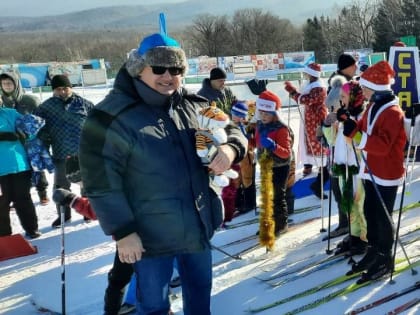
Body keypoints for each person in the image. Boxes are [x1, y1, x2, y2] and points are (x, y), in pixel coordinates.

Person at [78, 33, 247, 315]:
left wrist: (230, 149)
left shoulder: (194, 104)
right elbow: (100, 181)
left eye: (176, 70)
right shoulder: (111, 116)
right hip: (149, 238)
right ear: (138, 69)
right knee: (154, 306)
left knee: (199, 297)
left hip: (196, 228)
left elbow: (231, 129)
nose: (168, 76)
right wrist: (123, 232)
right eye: (159, 69)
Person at [342, 61, 406, 282]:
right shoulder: (372, 106)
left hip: (386, 171)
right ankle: (374, 248)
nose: (363, 91)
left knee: (382, 216)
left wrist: (358, 137)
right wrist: (348, 124)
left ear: (377, 88)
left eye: (367, 87)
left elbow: (383, 145)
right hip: (370, 169)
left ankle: (385, 256)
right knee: (370, 211)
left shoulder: (393, 112)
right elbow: (361, 129)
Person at [34, 74, 94, 228]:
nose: (62, 92)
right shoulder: (46, 107)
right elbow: (37, 127)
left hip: (84, 153)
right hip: (61, 153)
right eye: (58, 89)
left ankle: (89, 211)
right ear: (53, 90)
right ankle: (64, 215)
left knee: (87, 185)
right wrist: (45, 138)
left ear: (70, 88)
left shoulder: (84, 104)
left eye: (65, 88)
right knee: (61, 187)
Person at [323, 79, 368, 255]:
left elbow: (362, 142)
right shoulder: (344, 116)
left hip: (358, 168)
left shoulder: (361, 116)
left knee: (360, 204)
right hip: (344, 167)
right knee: (348, 204)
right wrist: (328, 125)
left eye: (344, 96)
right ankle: (354, 234)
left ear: (354, 97)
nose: (341, 100)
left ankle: (365, 238)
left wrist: (350, 126)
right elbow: (333, 140)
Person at [0, 72, 50, 205]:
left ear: (16, 84)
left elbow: (42, 120)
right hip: (12, 143)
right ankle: (14, 198)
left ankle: (42, 192)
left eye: (10, 83)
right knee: (15, 172)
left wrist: (41, 138)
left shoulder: (30, 100)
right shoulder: (2, 102)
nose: (7, 86)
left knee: (36, 167)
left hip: (30, 141)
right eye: (4, 84)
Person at [324, 53, 358, 239]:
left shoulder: (351, 90)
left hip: (349, 157)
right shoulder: (339, 85)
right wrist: (327, 126)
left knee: (347, 188)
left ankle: (353, 225)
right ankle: (345, 222)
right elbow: (331, 136)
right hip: (337, 154)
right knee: (337, 187)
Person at [284, 62, 328, 199]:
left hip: (317, 121)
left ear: (312, 74)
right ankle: (317, 173)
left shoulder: (318, 87)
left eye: (307, 73)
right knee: (312, 145)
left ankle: (320, 176)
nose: (305, 75)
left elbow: (305, 100)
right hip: (311, 120)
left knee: (320, 147)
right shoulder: (311, 85)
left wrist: (292, 92)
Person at [255, 90, 293, 239]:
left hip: (280, 166)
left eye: (267, 114)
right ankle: (269, 223)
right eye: (262, 113)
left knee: (278, 195)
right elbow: (256, 143)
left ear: (274, 114)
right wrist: (248, 139)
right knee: (267, 195)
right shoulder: (259, 125)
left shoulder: (281, 129)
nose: (263, 117)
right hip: (265, 165)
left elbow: (286, 153)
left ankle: (281, 224)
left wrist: (274, 146)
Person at [0, 105, 41, 239]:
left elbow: (30, 129)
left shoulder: (10, 113)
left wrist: (26, 124)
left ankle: (31, 228)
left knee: (22, 198)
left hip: (18, 164)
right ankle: (4, 235)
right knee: (2, 201)